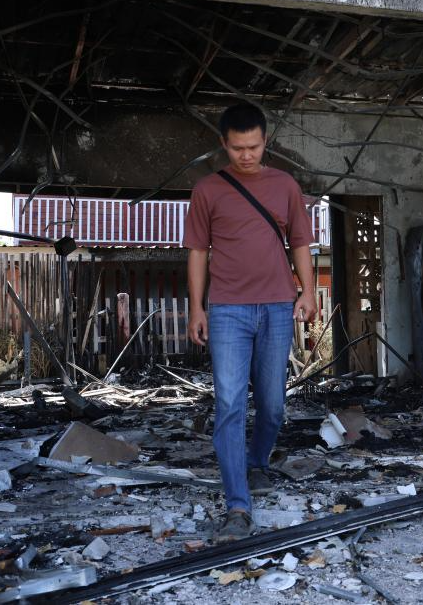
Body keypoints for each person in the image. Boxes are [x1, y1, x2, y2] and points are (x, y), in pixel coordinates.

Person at [183, 103, 317, 544]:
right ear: (224, 144)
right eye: (238, 148)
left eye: (254, 147)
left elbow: (300, 242)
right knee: (230, 404)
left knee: (273, 405)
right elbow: (197, 251)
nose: (246, 155)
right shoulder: (208, 190)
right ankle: (238, 505)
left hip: (277, 306)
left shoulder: (285, 185)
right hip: (227, 311)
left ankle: (257, 462)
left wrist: (308, 291)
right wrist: (197, 308)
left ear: (265, 142)